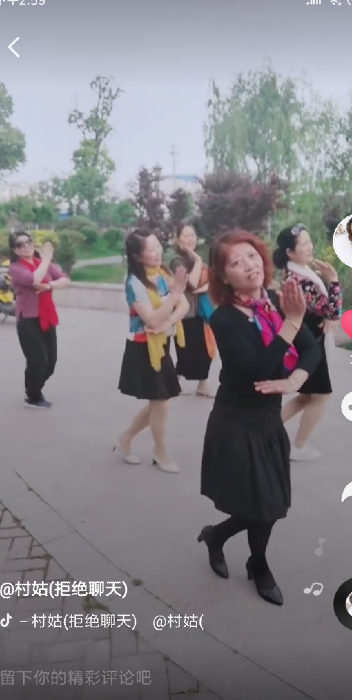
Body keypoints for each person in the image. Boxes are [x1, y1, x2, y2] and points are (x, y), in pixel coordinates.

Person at [198, 230, 320, 606]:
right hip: (237, 424)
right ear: (224, 276)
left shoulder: (275, 303)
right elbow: (256, 370)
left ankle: (217, 536)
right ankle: (258, 564)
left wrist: (294, 381)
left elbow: (311, 349)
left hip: (268, 422)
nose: (249, 265)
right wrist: (291, 324)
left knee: (270, 503)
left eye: (252, 256)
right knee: (261, 506)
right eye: (236, 262)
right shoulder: (224, 319)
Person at [116, 228, 189, 473]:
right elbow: (151, 319)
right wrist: (173, 298)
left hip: (161, 344)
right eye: (151, 249)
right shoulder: (135, 283)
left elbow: (184, 306)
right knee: (161, 402)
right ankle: (160, 451)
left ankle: (126, 438)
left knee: (159, 401)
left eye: (158, 246)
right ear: (137, 256)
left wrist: (169, 321)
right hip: (142, 347)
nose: (158, 252)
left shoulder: (162, 274)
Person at [273, 225, 342, 462]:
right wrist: (333, 281)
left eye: (309, 241)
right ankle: (298, 447)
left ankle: (264, 430)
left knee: (305, 396)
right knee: (321, 396)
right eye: (303, 244)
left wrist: (330, 314)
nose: (310, 246)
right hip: (309, 343)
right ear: (290, 252)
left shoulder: (298, 273)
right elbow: (331, 310)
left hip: (309, 339)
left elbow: (328, 313)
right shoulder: (299, 280)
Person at [9, 232, 70, 408]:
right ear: (15, 250)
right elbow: (34, 279)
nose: (25, 246)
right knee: (37, 360)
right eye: (20, 245)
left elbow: (65, 280)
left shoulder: (43, 264)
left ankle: (34, 388)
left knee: (51, 361)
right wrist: (46, 259)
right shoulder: (16, 268)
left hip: (47, 316)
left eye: (28, 242)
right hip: (28, 319)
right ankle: (33, 396)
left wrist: (49, 285)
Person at [170, 223, 216, 397]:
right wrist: (197, 262)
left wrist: (208, 286)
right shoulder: (177, 261)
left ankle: (202, 384)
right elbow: (192, 283)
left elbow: (210, 280)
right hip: (185, 313)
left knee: (206, 349)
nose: (190, 239)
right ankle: (174, 381)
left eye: (192, 235)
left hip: (202, 311)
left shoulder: (197, 260)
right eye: (186, 235)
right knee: (185, 351)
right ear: (177, 239)